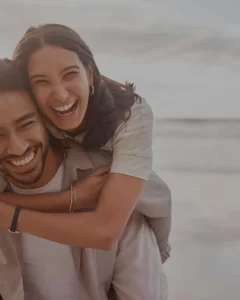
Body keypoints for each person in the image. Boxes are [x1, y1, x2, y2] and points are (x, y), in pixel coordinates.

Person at [1, 23, 171, 261]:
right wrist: (71, 198)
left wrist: (12, 216)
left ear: (89, 74)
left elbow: (105, 231)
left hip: (145, 209)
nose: (60, 94)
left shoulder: (132, 115)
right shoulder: (31, 119)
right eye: (41, 81)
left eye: (70, 74)